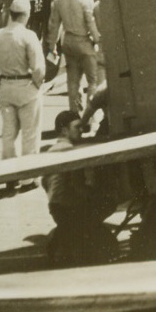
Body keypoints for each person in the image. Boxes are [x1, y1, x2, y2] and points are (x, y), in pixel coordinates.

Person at [0, 0, 45, 185]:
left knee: (8, 134)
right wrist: (37, 84)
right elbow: (39, 69)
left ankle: (9, 175)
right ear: (25, 15)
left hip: (6, 88)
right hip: (26, 89)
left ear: (11, 14)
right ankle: (28, 178)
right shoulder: (29, 36)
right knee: (30, 134)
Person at [43, 111, 115, 266]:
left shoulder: (51, 149)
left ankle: (66, 233)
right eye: (77, 127)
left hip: (55, 206)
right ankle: (71, 234)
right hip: (68, 207)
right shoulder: (71, 150)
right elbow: (77, 185)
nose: (81, 131)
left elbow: (44, 181)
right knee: (108, 203)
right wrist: (96, 196)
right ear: (64, 131)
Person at [46, 0, 101, 115]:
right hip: (84, 42)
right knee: (93, 80)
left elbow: (54, 25)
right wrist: (97, 41)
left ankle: (74, 114)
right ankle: (91, 115)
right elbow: (91, 23)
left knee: (73, 81)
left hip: (68, 42)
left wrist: (52, 47)